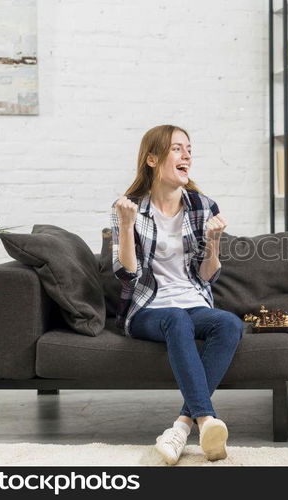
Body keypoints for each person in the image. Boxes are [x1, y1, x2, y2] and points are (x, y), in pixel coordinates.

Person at [110, 124, 243, 463]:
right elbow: (127, 274)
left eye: (189, 149)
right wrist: (126, 226)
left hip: (193, 301)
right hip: (148, 309)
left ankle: (183, 426)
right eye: (177, 149)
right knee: (176, 318)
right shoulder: (130, 208)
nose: (187, 156)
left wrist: (213, 243)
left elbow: (207, 276)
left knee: (229, 324)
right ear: (152, 159)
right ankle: (204, 418)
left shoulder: (202, 205)